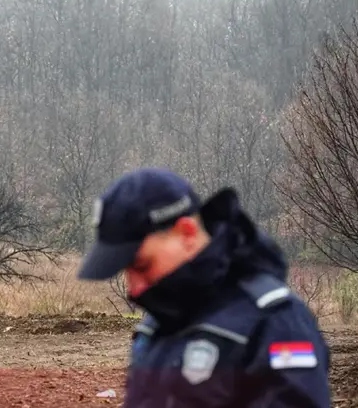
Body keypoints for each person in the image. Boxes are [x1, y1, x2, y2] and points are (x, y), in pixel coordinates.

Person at [78, 168, 331, 408]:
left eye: (143, 265)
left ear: (187, 234)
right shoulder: (159, 324)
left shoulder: (275, 323)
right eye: (126, 270)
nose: (134, 288)